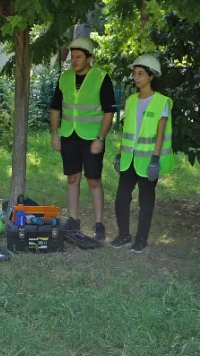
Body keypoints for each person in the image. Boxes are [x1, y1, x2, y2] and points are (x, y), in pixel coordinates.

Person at [49, 37, 117, 242]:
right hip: (69, 135)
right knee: (72, 178)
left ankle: (98, 224)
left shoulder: (102, 78)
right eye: (72, 57)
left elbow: (109, 113)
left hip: (92, 138)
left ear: (89, 58)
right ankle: (73, 219)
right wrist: (55, 134)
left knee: (94, 180)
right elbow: (55, 108)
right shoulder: (64, 78)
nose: (74, 61)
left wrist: (101, 138)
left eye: (79, 57)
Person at [113, 54, 172, 252]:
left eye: (140, 74)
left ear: (151, 76)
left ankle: (141, 239)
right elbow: (127, 131)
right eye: (135, 74)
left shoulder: (161, 101)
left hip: (148, 161)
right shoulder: (130, 101)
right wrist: (120, 154)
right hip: (129, 159)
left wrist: (155, 160)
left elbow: (160, 135)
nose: (136, 77)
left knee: (146, 202)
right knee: (121, 198)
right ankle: (123, 235)